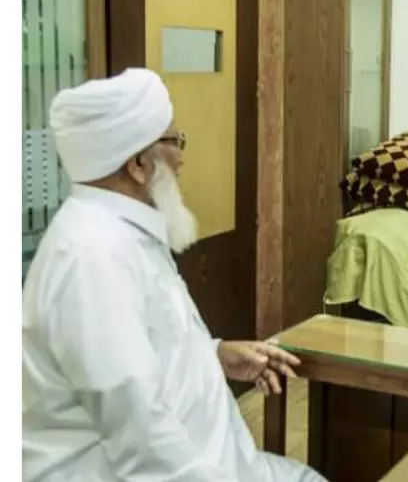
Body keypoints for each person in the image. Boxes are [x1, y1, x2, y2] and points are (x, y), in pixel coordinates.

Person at [22, 69, 326, 481]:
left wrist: (213, 355)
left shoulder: (123, 230)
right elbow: (140, 437)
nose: (182, 159)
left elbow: (147, 347)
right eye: (175, 142)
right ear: (138, 164)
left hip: (219, 462)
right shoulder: (91, 257)